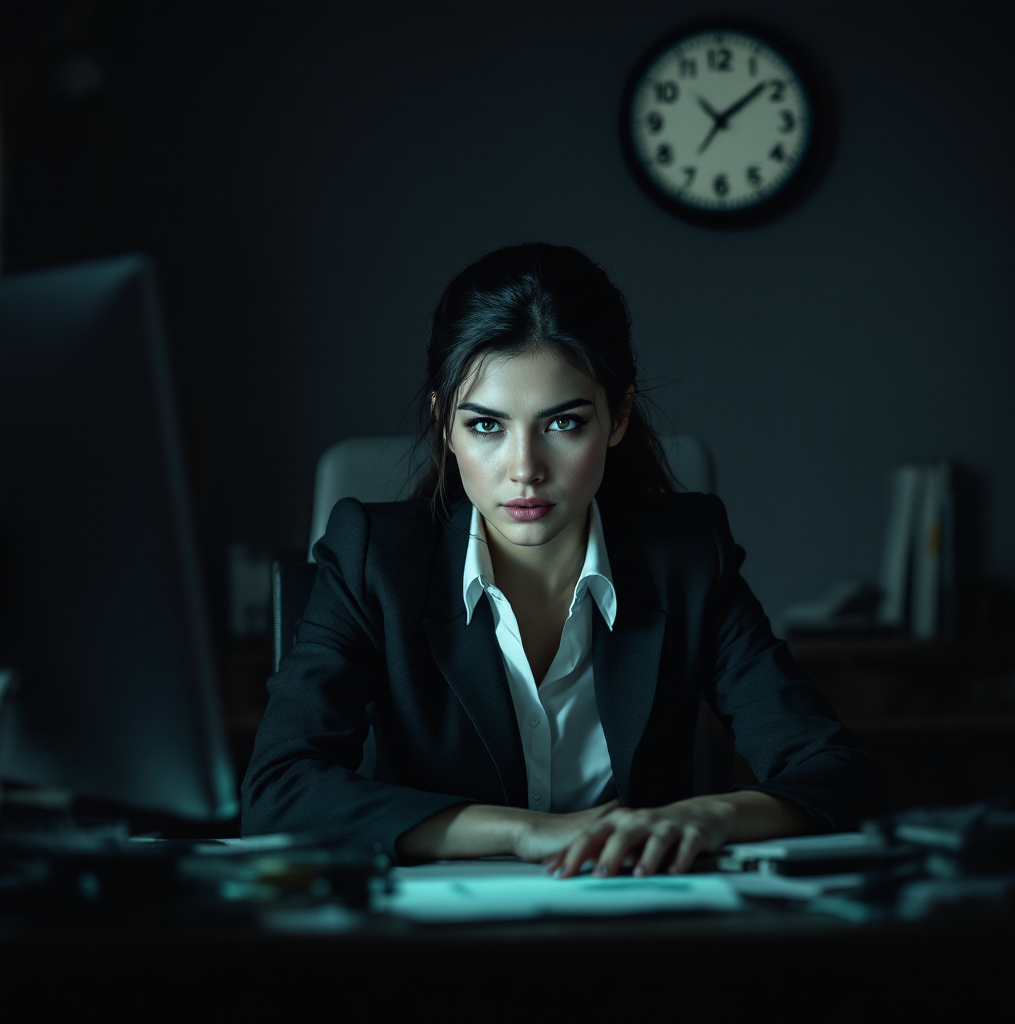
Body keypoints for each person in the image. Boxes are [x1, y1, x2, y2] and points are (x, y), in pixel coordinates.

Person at [241, 242, 886, 877]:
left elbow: (836, 772)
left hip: (636, 927)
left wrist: (708, 816)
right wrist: (527, 833)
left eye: (564, 424)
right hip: (438, 942)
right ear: (446, 426)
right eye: (486, 426)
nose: (525, 470)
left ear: (619, 416)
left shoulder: (688, 557)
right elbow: (281, 792)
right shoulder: (371, 558)